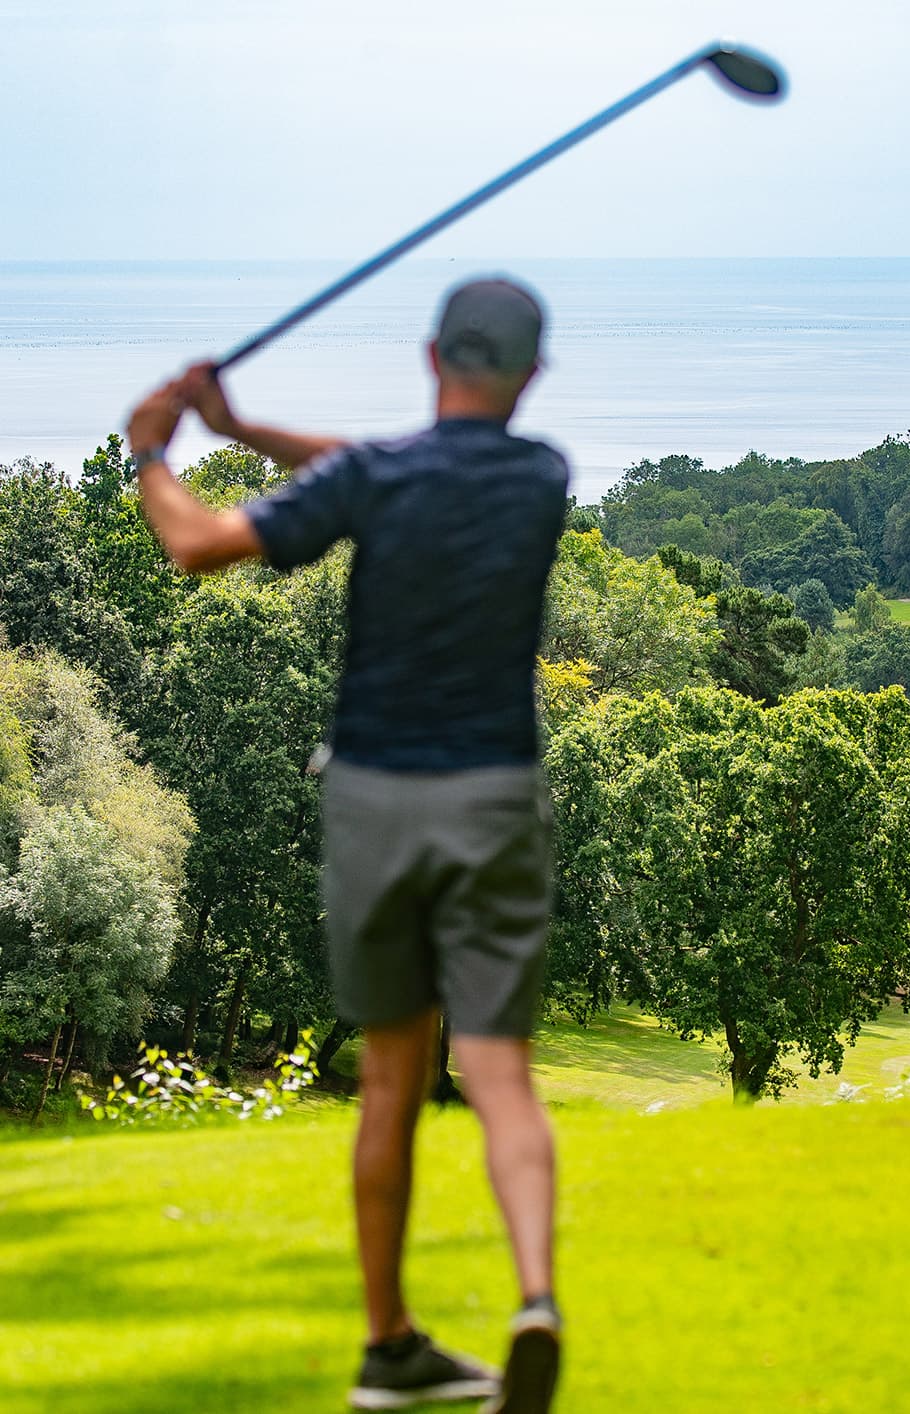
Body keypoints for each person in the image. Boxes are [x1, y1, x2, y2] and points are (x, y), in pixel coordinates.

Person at [126, 278, 568, 1413]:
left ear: (430, 356)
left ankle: (388, 1348)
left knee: (387, 1079)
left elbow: (199, 544)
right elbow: (376, 464)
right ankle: (533, 1299)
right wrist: (240, 427)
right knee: (501, 1070)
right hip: (496, 796)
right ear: (530, 374)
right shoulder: (540, 475)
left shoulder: (378, 478)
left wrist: (157, 456)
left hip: (374, 795)